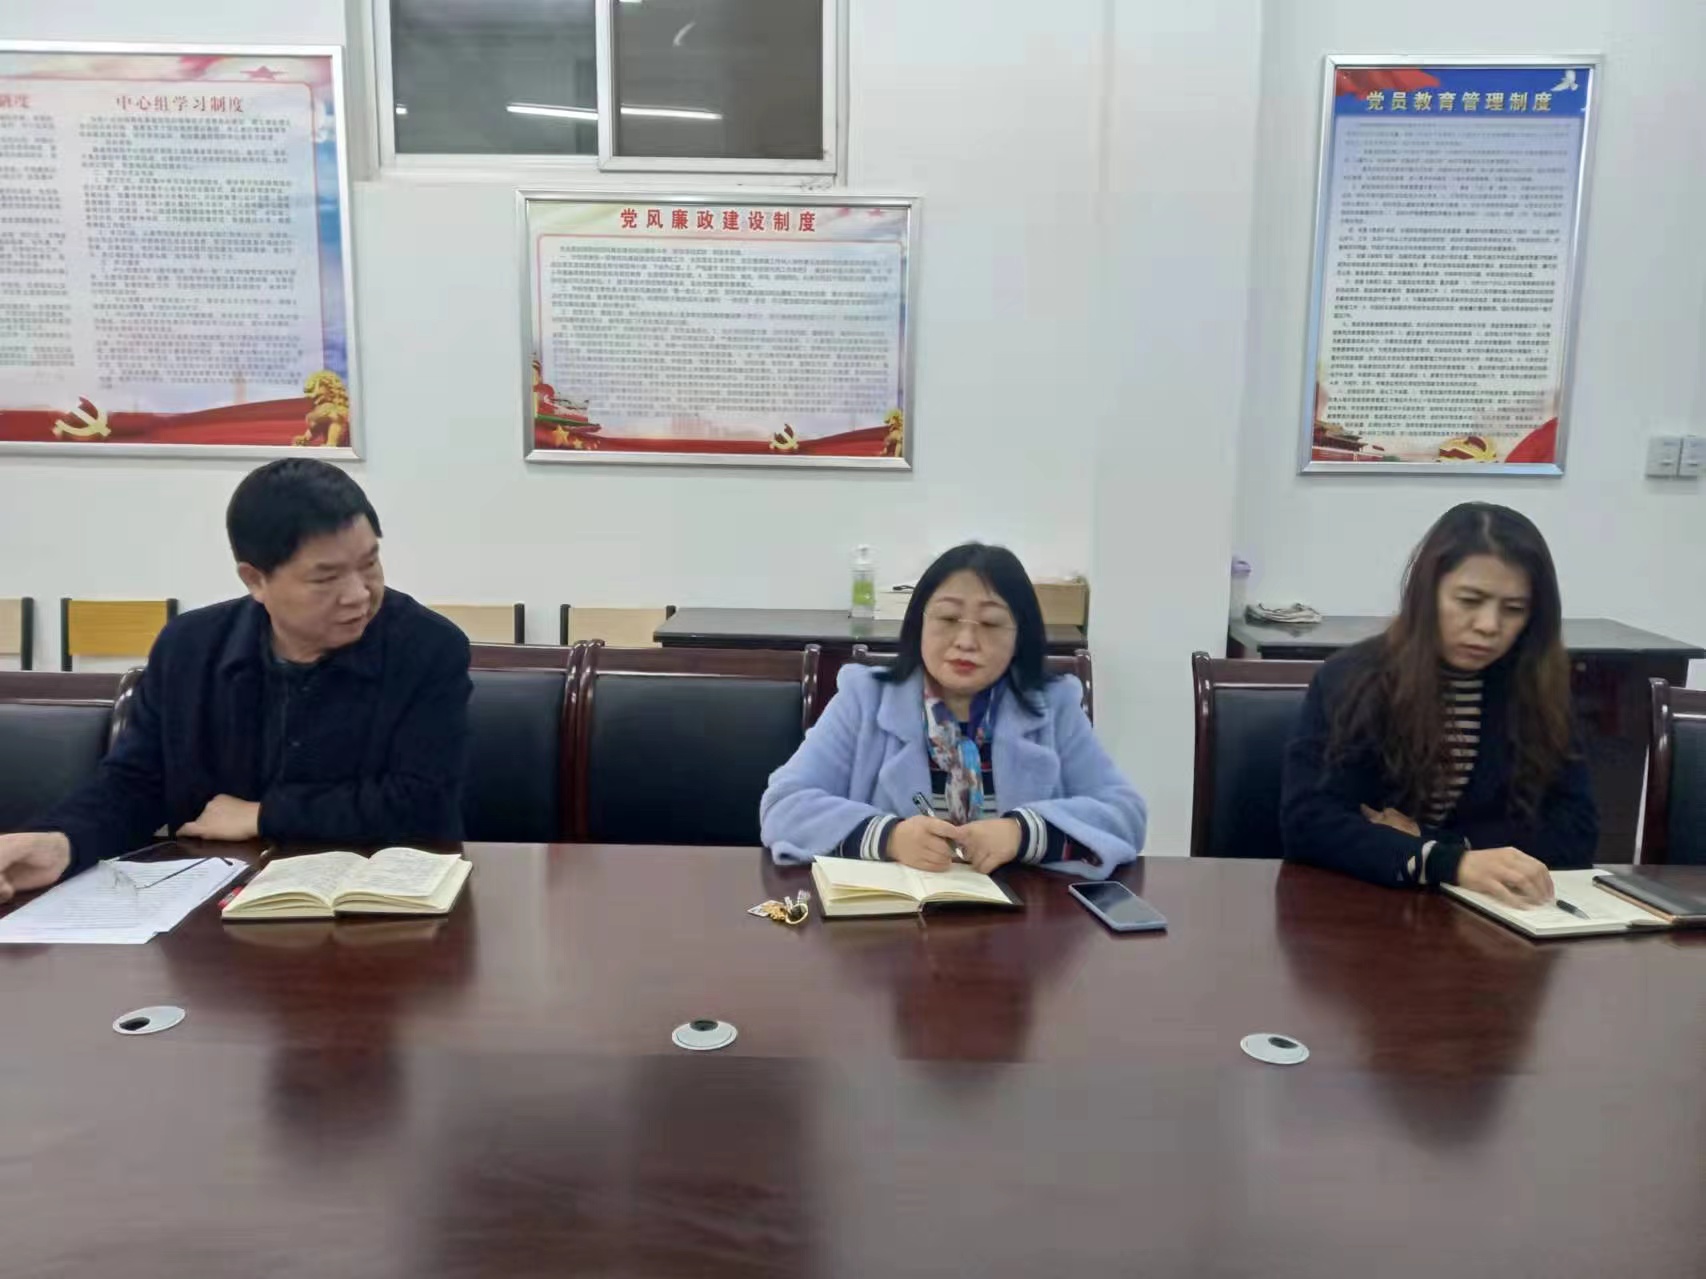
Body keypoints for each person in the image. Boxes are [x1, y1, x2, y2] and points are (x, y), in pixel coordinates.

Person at [0, 459, 471, 902]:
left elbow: (422, 802)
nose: (359, 594)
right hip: (210, 913)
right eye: (326, 578)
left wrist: (264, 814)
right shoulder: (189, 650)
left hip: (381, 906)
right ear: (255, 580)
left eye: (369, 564)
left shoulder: (427, 647)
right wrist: (63, 841)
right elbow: (136, 783)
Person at [760, 543, 1145, 878]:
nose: (966, 641)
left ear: (1020, 635)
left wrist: (1023, 833)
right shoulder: (865, 698)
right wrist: (890, 837)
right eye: (947, 618)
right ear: (919, 624)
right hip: (890, 923)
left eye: (991, 623)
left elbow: (1124, 813)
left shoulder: (1054, 705)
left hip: (1024, 921)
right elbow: (784, 805)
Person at [1280, 502, 1596, 905]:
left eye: (1514, 610)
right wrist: (1453, 863)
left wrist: (1444, 851)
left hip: (1499, 914)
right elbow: (1309, 824)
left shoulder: (1539, 687)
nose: (1489, 626)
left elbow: (1576, 832)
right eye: (1469, 600)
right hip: (1366, 908)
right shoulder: (1352, 678)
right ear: (1428, 594)